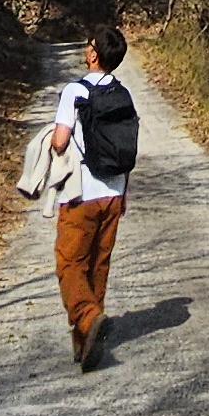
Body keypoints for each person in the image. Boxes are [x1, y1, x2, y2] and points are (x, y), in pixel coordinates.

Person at [50, 23, 138, 369]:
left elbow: (60, 142)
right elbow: (126, 146)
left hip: (81, 191)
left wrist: (53, 142)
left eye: (89, 45)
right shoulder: (123, 94)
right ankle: (85, 340)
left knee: (70, 263)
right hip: (114, 191)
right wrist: (124, 191)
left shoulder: (75, 91)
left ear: (93, 55)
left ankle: (88, 319)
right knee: (99, 263)